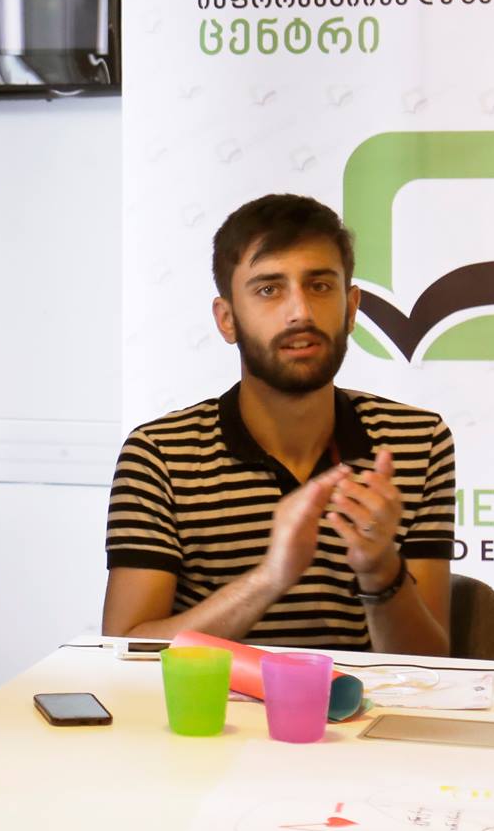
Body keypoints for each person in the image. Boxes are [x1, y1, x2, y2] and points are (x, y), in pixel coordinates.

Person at [103, 194, 455, 654]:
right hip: (210, 704)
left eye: (320, 286)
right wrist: (271, 577)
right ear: (227, 319)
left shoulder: (418, 442)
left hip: (356, 702)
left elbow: (432, 667)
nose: (300, 312)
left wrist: (380, 569)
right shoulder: (161, 455)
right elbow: (125, 652)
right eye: (269, 289)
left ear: (351, 308)